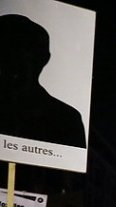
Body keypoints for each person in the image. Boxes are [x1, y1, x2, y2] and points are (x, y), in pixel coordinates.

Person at [0, 15, 86, 147]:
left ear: (42, 59)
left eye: (20, 53)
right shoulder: (66, 117)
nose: (10, 64)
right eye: (5, 53)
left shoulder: (66, 119)